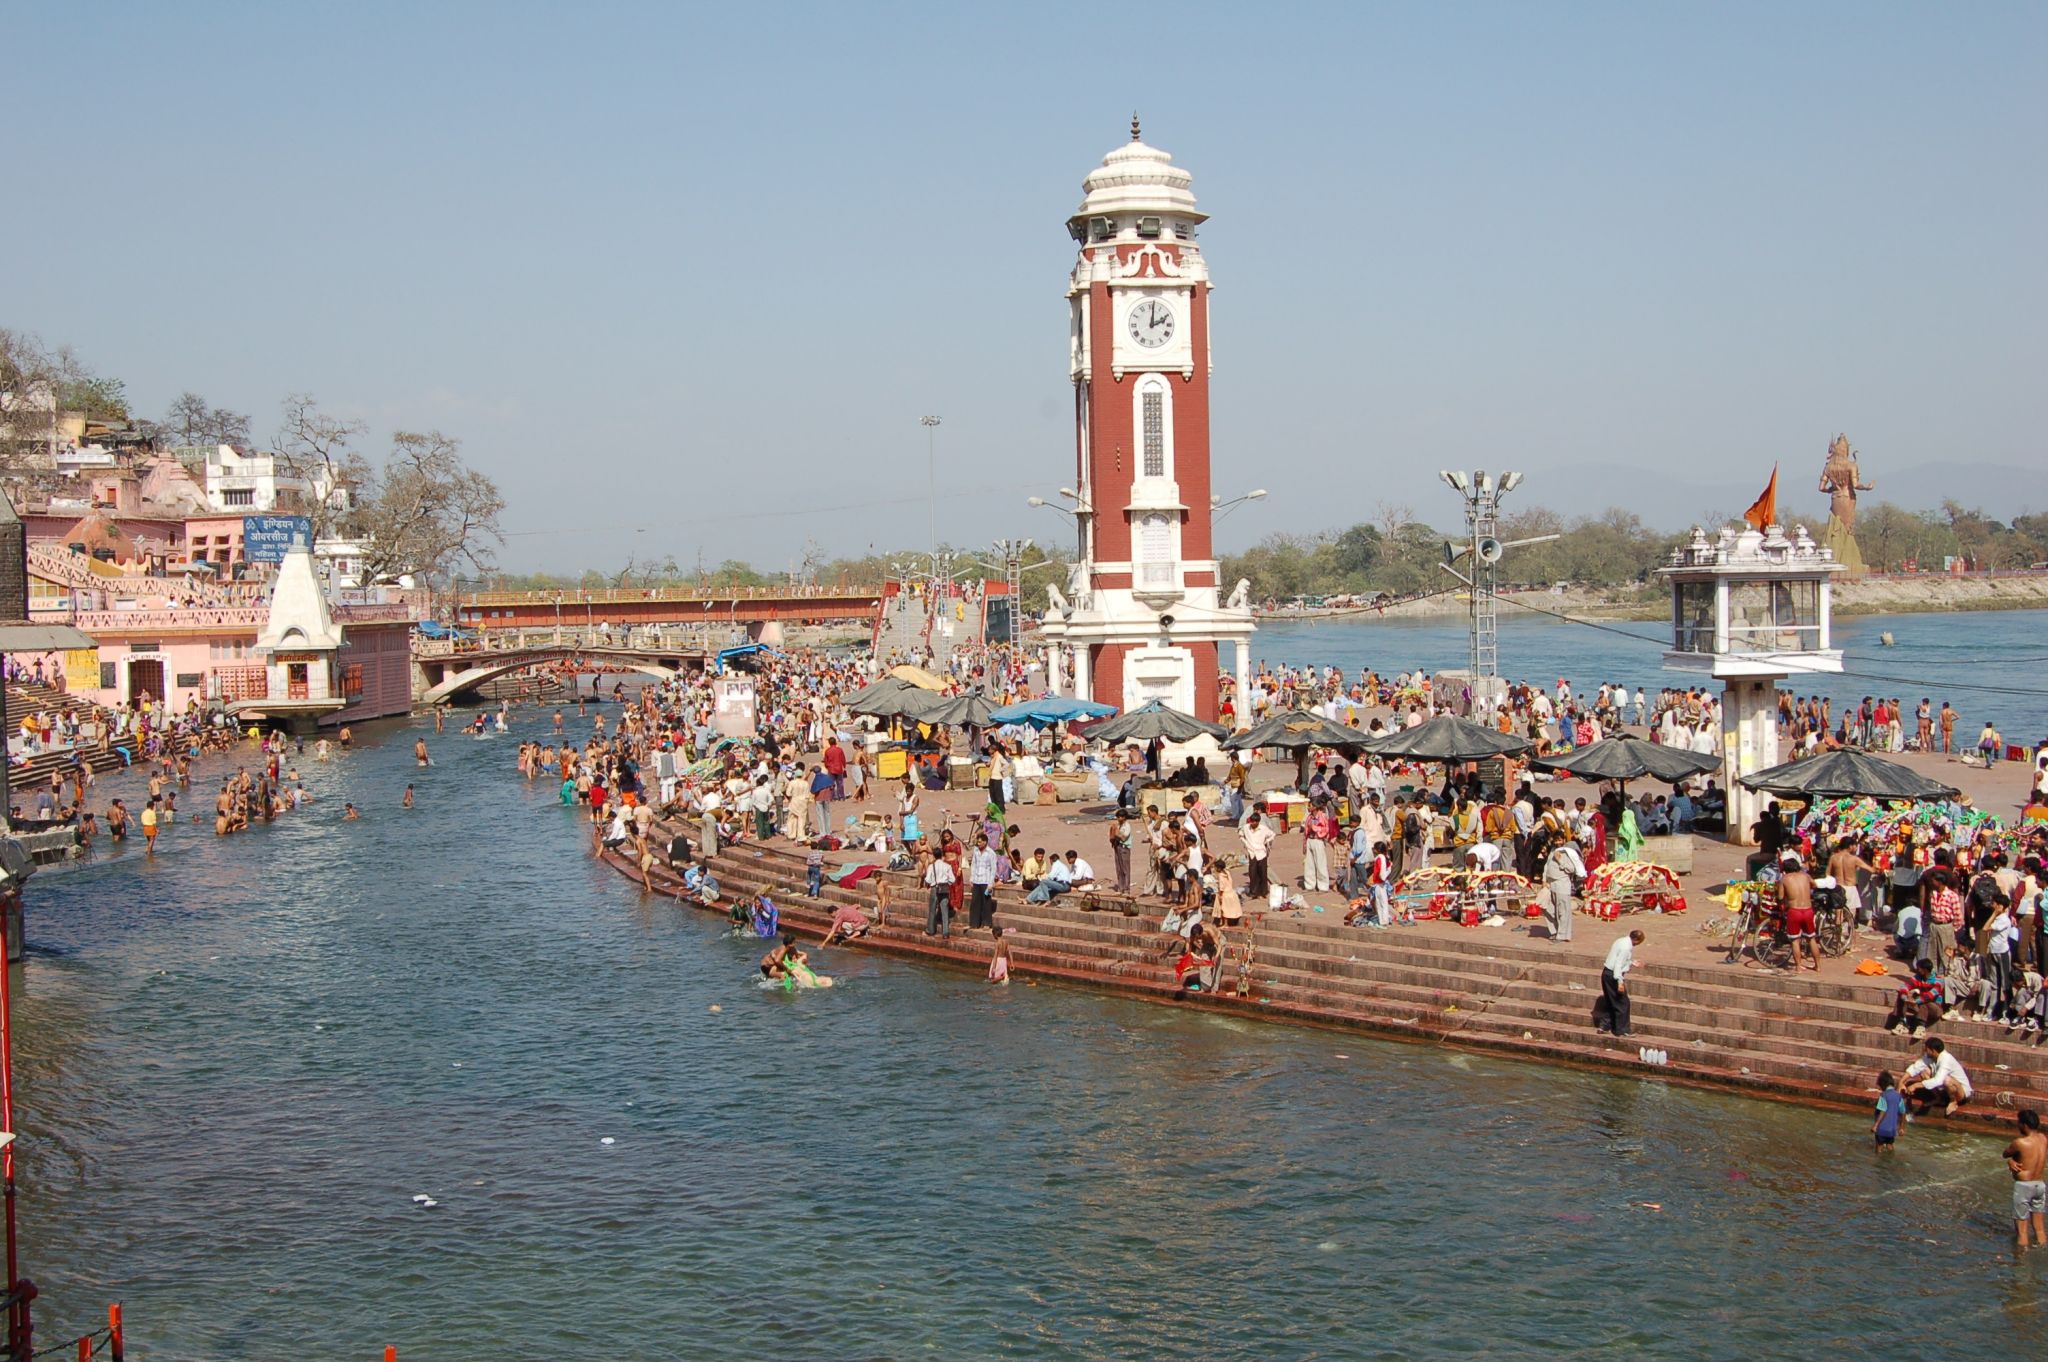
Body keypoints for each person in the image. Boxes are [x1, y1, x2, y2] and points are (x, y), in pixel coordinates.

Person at [2004, 1109, 2048, 1255]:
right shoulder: (2044, 1138)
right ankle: (2043, 1253)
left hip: (2024, 1186)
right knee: (2040, 1229)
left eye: (2019, 1123)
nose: (2018, 1125)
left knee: (2022, 1233)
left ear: (2025, 1125)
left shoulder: (2020, 1143)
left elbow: (2006, 1153)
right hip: (2040, 1185)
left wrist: (2010, 1161)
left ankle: (2021, 1264)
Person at [1901, 1037, 1972, 1117]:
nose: (1925, 1051)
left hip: (1961, 1093)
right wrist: (1901, 1082)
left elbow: (1938, 1081)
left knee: (1946, 1080)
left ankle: (1954, 1102)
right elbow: (1916, 1067)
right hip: (1946, 1089)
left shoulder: (1946, 1059)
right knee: (1924, 1072)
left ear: (1933, 1051)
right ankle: (1939, 1098)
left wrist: (1915, 1085)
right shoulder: (1931, 1056)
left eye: (1926, 1049)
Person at [1595, 929, 1644, 1038]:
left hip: (1606, 973)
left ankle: (1605, 1025)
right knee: (1623, 1003)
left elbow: (1617, 958)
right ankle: (1622, 1030)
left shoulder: (1620, 941)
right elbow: (1618, 965)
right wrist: (1620, 982)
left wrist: (1631, 962)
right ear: (1636, 940)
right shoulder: (1626, 948)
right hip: (1614, 975)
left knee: (1610, 1001)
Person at [1777, 853, 1819, 972]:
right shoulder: (1806, 876)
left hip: (1794, 911)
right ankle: (1818, 966)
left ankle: (1798, 966)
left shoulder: (1784, 879)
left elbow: (1780, 897)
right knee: (1811, 939)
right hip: (1808, 910)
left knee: (1795, 941)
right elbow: (1815, 885)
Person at [1542, 833, 1586, 944]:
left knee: (1563, 911)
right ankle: (1554, 930)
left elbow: (1571, 869)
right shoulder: (1552, 850)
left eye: (1559, 840)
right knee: (1547, 907)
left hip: (1562, 884)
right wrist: (1544, 880)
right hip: (1551, 884)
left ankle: (1562, 935)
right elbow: (1547, 866)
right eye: (1556, 840)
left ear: (1564, 840)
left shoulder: (1567, 852)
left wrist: (1560, 860)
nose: (1557, 843)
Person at [1885, 960, 1945, 1038]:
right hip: (1919, 1005)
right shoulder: (1918, 977)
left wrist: (1916, 1001)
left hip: (1935, 1009)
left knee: (1925, 1002)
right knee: (1902, 996)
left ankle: (1921, 1027)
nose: (1918, 970)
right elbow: (1905, 986)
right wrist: (1904, 996)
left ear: (1925, 970)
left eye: (1919, 969)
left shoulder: (1938, 981)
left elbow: (1930, 996)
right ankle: (1902, 1022)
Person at [1240, 811, 1274, 901]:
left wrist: (1266, 842)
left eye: (1255, 822)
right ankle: (1254, 892)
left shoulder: (1263, 829)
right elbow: (1240, 835)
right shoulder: (1246, 828)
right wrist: (1245, 843)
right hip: (1252, 853)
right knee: (1252, 873)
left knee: (1262, 873)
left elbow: (1272, 835)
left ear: (1258, 822)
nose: (1253, 823)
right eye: (1252, 822)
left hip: (1261, 853)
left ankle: (1263, 892)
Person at [923, 846, 955, 937]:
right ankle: (945, 932)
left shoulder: (931, 866)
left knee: (932, 910)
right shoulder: (947, 866)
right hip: (944, 889)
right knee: (945, 910)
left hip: (935, 888)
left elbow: (928, 880)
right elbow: (952, 879)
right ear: (942, 855)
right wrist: (946, 883)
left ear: (934, 856)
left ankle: (930, 930)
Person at [1872, 1072, 1906, 1153]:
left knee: (1879, 1148)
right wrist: (1901, 1127)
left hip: (1882, 1128)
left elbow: (1883, 1110)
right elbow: (1903, 1112)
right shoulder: (1898, 1096)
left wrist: (1876, 1125)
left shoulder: (1883, 1096)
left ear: (1883, 1084)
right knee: (1890, 1146)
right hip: (1892, 1130)